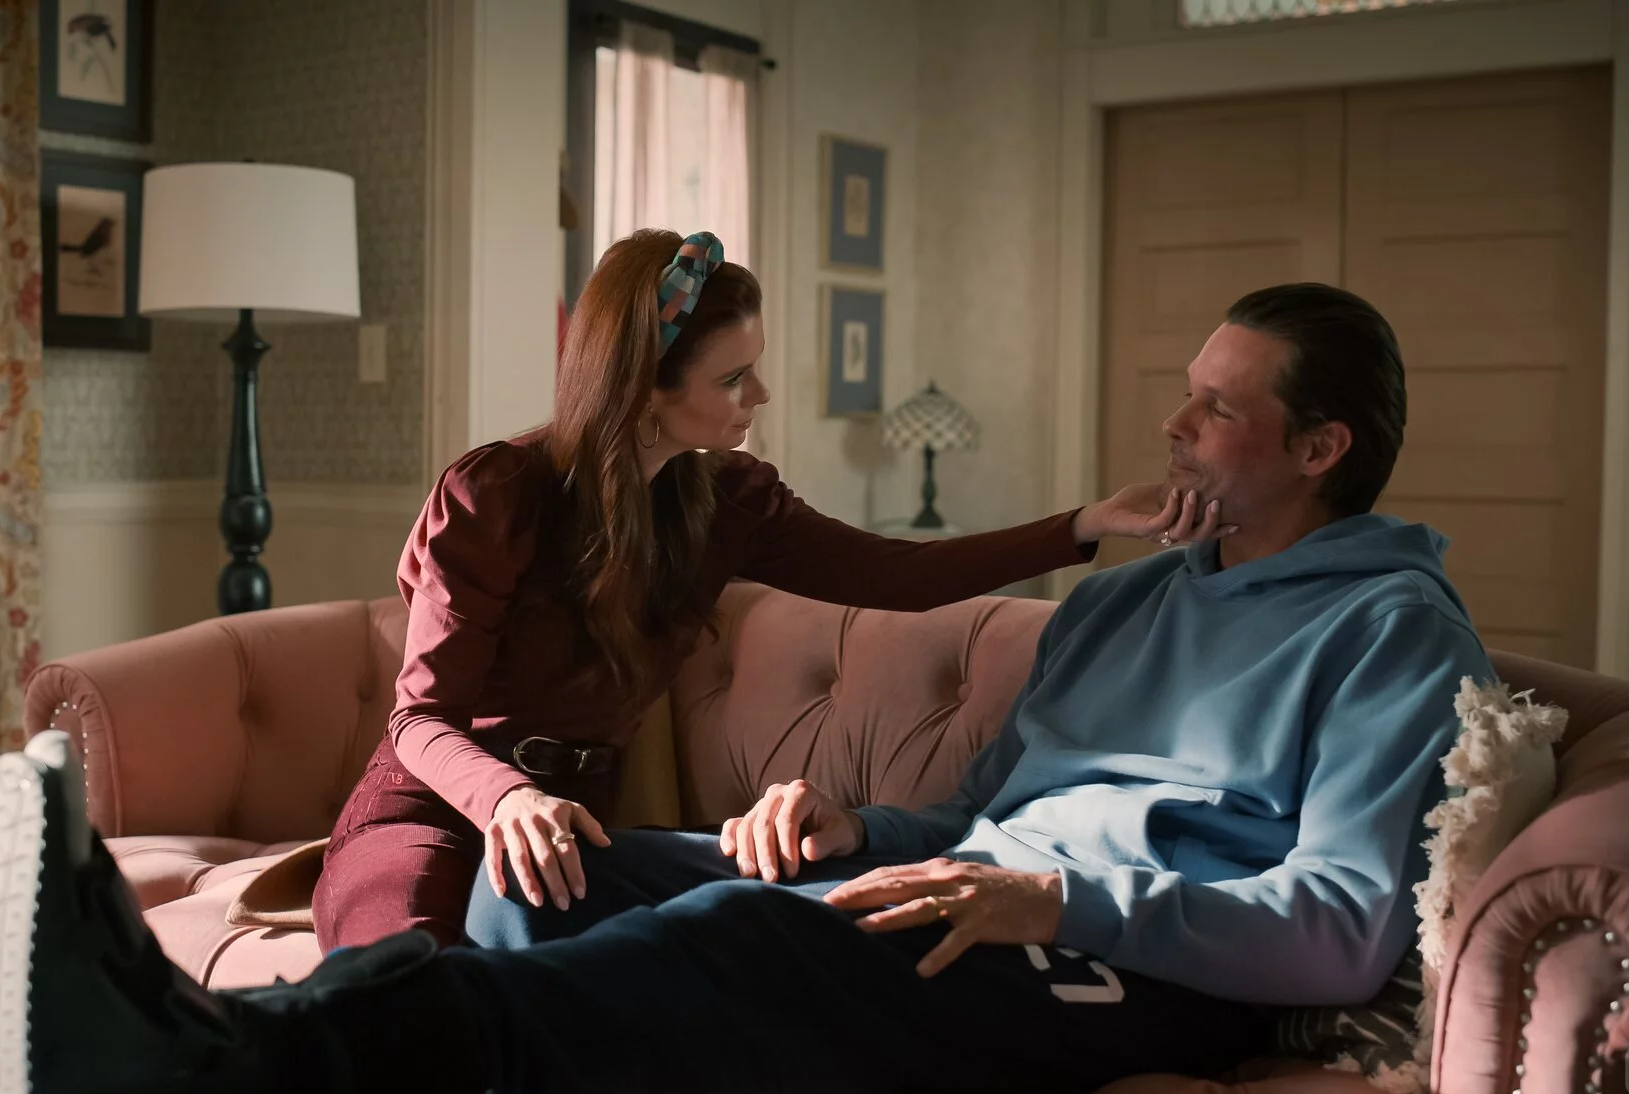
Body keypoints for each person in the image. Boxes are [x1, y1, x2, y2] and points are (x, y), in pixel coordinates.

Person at [0, 282, 1494, 1094]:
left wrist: (1057, 898)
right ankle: (362, 1064)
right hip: (978, 894)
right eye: (1188, 394)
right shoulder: (1135, 600)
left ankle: (219, 1063)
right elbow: (980, 816)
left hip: (1131, 966)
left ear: (1320, 449)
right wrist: (858, 822)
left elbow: (1341, 926)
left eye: (1216, 408)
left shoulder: (1389, 632)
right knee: (561, 872)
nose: (1175, 425)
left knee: (745, 936)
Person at [313, 228, 1230, 950]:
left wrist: (1084, 522)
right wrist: (510, 799)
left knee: (644, 972)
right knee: (408, 982)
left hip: (582, 828)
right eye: (732, 376)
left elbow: (897, 575)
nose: (759, 392)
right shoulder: (497, 493)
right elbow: (419, 719)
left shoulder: (730, 500)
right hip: (437, 808)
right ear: (643, 387)